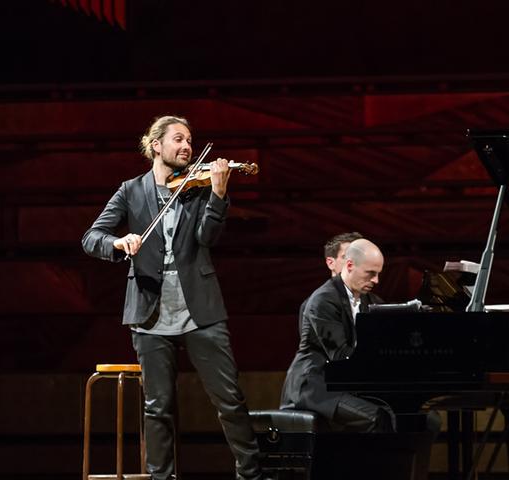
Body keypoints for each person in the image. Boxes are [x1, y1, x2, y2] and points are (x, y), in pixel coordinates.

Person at [82, 115, 266, 480]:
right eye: (178, 139)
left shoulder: (197, 189)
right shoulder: (131, 191)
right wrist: (118, 242)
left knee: (229, 400)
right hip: (150, 311)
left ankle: (252, 474)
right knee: (157, 407)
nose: (187, 147)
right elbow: (92, 237)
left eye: (190, 141)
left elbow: (207, 238)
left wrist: (217, 193)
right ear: (156, 146)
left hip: (200, 308)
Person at [280, 238, 394, 432]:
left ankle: (405, 464)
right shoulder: (323, 300)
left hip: (344, 384)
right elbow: (341, 356)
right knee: (377, 418)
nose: (376, 280)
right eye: (370, 273)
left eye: (378, 274)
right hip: (315, 387)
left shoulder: (373, 301)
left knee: (422, 419)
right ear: (349, 265)